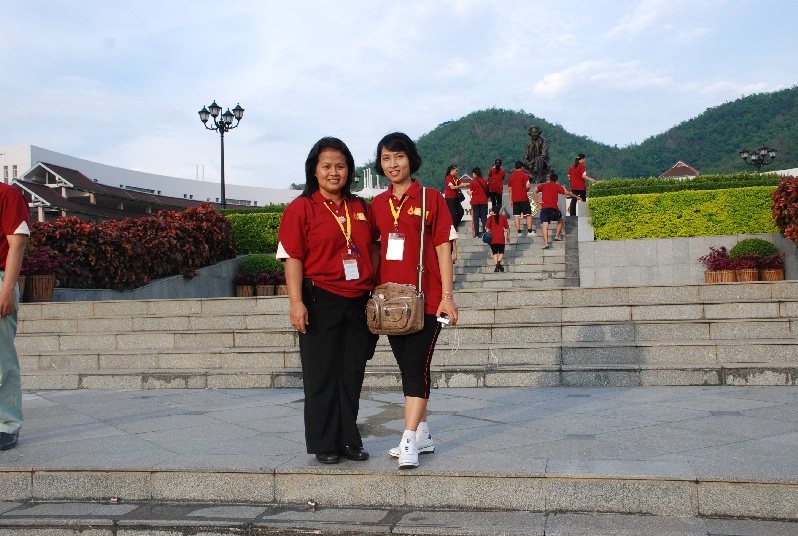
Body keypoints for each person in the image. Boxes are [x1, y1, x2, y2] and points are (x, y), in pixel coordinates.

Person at [276, 137, 378, 465]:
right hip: (320, 299)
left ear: (350, 170)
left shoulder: (360, 207)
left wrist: (375, 285)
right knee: (320, 374)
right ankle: (324, 442)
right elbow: (292, 257)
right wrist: (296, 302)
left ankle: (349, 438)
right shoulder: (301, 208)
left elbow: (373, 247)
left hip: (358, 301)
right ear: (314, 170)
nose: (334, 172)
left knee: (352, 374)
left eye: (341, 166)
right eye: (327, 166)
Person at [370, 132, 458, 469]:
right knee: (410, 367)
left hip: (427, 298)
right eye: (386, 158)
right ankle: (423, 432)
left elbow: (443, 248)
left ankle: (407, 439)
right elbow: (374, 249)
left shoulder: (431, 197)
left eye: (399, 156)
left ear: (411, 159)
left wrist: (447, 297)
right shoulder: (377, 204)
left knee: (414, 367)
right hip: (391, 302)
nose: (393, 164)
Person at [0, 183, 30, 451]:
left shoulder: (7, 195)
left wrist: (8, 290)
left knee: (1, 358)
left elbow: (17, 243)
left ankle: (6, 424)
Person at [532, 172, 581, 249]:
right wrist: (577, 197)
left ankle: (546, 243)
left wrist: (538, 201)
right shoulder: (557, 186)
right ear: (556, 180)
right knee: (560, 220)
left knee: (545, 226)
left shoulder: (543, 185)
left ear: (549, 179)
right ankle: (557, 236)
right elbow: (568, 193)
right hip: (554, 209)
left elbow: (534, 191)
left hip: (544, 208)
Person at [507, 160, 536, 237]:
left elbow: (510, 189)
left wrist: (511, 200)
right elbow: (528, 185)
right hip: (523, 198)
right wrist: (526, 190)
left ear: (515, 167)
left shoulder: (511, 177)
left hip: (515, 199)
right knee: (528, 214)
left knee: (516, 215)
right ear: (522, 167)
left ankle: (519, 232)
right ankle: (529, 231)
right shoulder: (524, 176)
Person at [485, 206, 510, 272]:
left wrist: (487, 236)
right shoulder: (503, 218)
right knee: (501, 252)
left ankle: (497, 266)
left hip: (492, 239)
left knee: (495, 253)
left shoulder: (490, 218)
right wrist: (508, 236)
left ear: (492, 211)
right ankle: (498, 263)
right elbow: (507, 228)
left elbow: (487, 229)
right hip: (501, 238)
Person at [443, 164, 466, 231]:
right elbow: (452, 187)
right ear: (452, 170)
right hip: (450, 198)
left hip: (456, 198)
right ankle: (453, 227)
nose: (457, 172)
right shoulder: (448, 178)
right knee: (452, 213)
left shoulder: (455, 178)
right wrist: (460, 186)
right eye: (456, 170)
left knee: (461, 211)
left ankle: (455, 224)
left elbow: (461, 183)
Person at [468, 167, 489, 238]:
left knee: (476, 218)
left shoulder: (472, 182)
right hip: (483, 201)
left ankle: (476, 234)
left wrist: (468, 192)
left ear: (475, 174)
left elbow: (470, 193)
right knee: (484, 218)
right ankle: (485, 233)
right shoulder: (484, 181)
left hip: (475, 202)